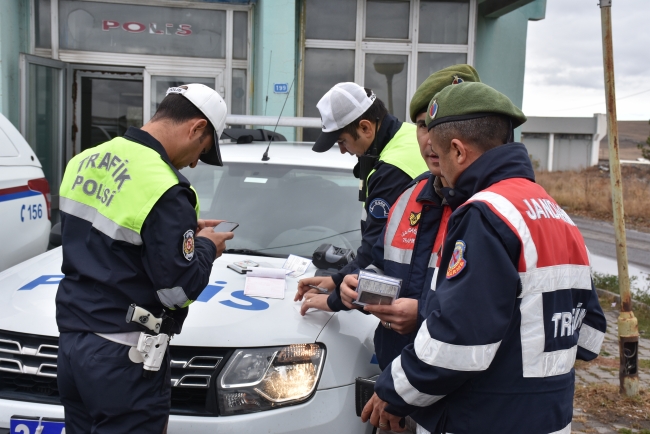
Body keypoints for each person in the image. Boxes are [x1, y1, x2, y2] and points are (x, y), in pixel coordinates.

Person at [361, 82, 608, 433]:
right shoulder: (552, 211)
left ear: (459, 151)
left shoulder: (483, 215)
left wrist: (393, 391)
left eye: (442, 157)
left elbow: (458, 337)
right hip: (551, 418)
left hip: (483, 417)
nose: (439, 171)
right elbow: (588, 336)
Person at [55, 84, 233, 433]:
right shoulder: (165, 187)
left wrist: (166, 232)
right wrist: (207, 247)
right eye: (202, 149)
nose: (196, 162)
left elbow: (106, 238)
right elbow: (177, 292)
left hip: (73, 347)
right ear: (196, 127)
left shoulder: (85, 159)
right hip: (124, 359)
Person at [332, 65, 481, 434]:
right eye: (422, 125)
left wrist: (423, 314)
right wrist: (355, 288)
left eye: (443, 124)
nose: (431, 140)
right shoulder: (410, 197)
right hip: (401, 384)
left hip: (462, 400)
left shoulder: (495, 209)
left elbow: (496, 314)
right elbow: (390, 269)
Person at [296, 82, 427, 312]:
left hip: (407, 300)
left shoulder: (391, 170)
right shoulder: (407, 133)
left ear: (366, 127)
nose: (344, 151)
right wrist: (337, 279)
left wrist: (333, 300)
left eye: (342, 141)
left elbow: (378, 250)